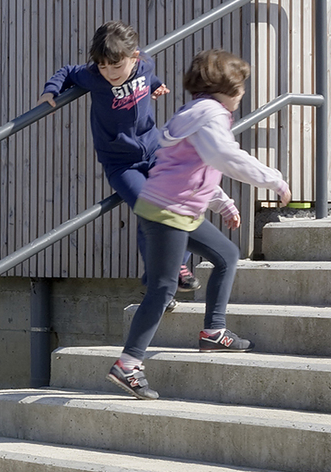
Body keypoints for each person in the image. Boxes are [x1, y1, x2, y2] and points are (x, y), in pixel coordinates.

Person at [107, 50, 291, 400]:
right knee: (162, 289)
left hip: (174, 208)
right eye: (241, 88)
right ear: (226, 88)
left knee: (226, 254)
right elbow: (224, 157)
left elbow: (198, 169)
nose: (242, 95)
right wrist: (274, 180)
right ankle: (128, 364)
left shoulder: (195, 112)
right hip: (168, 212)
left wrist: (224, 204)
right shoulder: (210, 115)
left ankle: (214, 331)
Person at [40, 21, 198, 293]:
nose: (110, 73)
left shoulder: (145, 63)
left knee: (179, 198)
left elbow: (149, 75)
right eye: (103, 66)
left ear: (134, 56)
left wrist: (156, 85)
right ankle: (163, 277)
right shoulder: (93, 77)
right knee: (151, 207)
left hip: (153, 149)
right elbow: (67, 72)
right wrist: (50, 91)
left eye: (116, 66)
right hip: (121, 163)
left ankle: (170, 270)